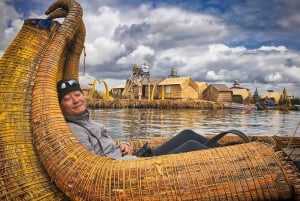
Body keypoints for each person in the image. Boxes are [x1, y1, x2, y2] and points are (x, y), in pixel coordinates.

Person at [57, 78, 218, 160]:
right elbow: (91, 165)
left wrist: (123, 145)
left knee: (188, 133)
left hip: (132, 158)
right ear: (60, 105)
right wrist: (120, 155)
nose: (76, 100)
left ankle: (232, 149)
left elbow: (107, 147)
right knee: (191, 145)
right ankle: (229, 164)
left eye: (77, 94)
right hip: (132, 169)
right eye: (67, 98)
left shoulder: (89, 121)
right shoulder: (74, 130)